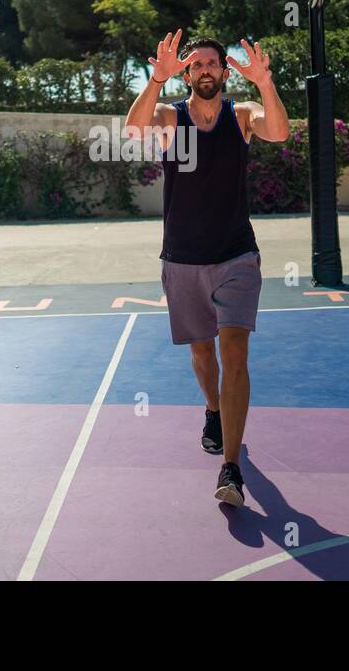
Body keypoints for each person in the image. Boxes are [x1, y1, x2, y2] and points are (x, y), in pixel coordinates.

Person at [124, 29, 289, 506]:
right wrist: (155, 80)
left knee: (234, 352)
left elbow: (278, 131)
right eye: (195, 64)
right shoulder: (170, 118)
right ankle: (213, 410)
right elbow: (133, 130)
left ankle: (231, 467)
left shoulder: (241, 118)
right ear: (188, 73)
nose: (204, 70)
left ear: (223, 70)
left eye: (212, 63)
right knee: (203, 353)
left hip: (237, 255)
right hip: (183, 258)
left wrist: (266, 84)